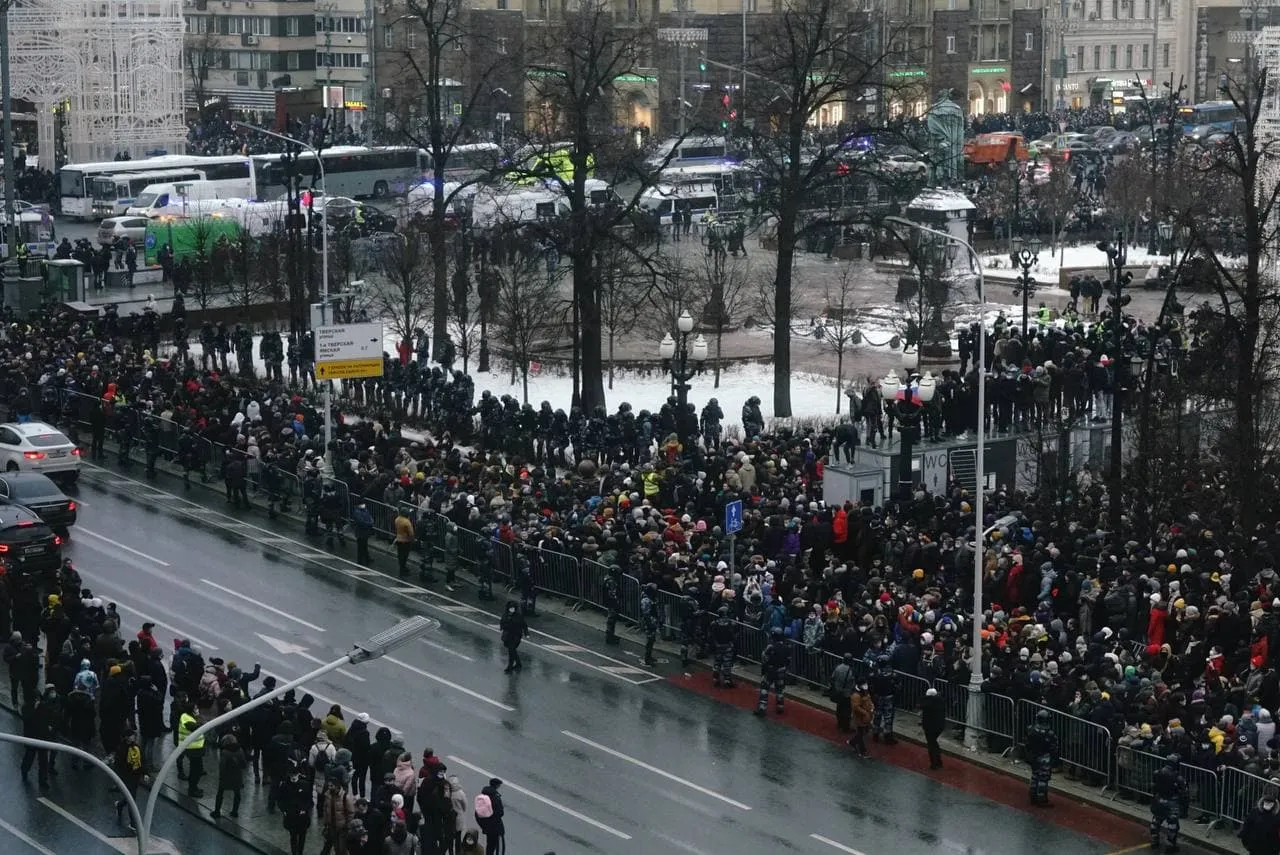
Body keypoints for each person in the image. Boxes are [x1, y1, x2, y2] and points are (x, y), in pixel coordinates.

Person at [1150, 753, 1187, 852]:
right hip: (1172, 802)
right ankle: (1170, 845)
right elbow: (1183, 792)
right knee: (1173, 825)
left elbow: (1153, 786)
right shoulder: (1178, 777)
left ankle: (1154, 840)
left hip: (1158, 799)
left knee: (1156, 821)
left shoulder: (1157, 772)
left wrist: (1155, 796)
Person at [1025, 709, 1058, 806]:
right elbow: (1054, 748)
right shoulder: (1049, 733)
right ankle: (1041, 799)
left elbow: (1027, 744)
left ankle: (1033, 795)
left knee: (1035, 776)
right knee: (1043, 778)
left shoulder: (1031, 729)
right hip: (1045, 758)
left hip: (1034, 756)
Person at [113, 730, 145, 830]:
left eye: (133, 736)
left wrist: (145, 773)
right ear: (126, 737)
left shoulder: (136, 747)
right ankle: (133, 823)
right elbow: (118, 765)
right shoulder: (121, 749)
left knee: (130, 797)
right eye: (131, 736)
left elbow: (142, 760)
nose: (133, 738)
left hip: (135, 776)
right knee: (132, 799)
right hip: (126, 777)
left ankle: (119, 805)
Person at [212, 732, 248, 819]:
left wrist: (221, 776)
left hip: (226, 777)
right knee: (237, 794)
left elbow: (222, 767)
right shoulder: (240, 750)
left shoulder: (225, 752)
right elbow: (244, 765)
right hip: (237, 776)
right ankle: (235, 812)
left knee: (220, 793)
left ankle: (217, 812)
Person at [177, 699, 207, 798]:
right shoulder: (185, 718)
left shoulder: (192, 717)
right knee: (195, 771)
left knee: (198, 770)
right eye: (195, 708)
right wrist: (201, 719)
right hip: (191, 749)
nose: (197, 710)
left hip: (196, 748)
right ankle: (192, 789)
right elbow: (195, 727)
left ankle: (194, 787)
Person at [755, 627, 788, 716]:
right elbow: (788, 660)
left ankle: (762, 707)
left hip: (771, 670)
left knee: (764, 688)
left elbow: (764, 657)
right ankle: (780, 706)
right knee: (780, 689)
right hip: (781, 670)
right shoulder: (785, 647)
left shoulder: (770, 646)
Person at [1240, 790, 1280, 855]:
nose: (1268, 804)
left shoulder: (1277, 816)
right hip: (1255, 846)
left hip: (1271, 849)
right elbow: (1247, 827)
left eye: (1270, 802)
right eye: (1266, 802)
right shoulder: (1255, 812)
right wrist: (1246, 842)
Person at [869, 656, 897, 744]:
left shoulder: (874, 674)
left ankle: (875, 734)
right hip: (888, 697)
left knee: (877, 716)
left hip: (877, 697)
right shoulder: (892, 674)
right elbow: (897, 687)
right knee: (888, 718)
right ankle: (887, 736)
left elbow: (871, 687)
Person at [828, 653, 858, 732]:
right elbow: (853, 683)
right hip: (847, 693)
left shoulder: (838, 667)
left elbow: (833, 678)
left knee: (839, 709)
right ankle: (846, 727)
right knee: (847, 711)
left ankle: (839, 724)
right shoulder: (851, 670)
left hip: (838, 691)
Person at [474, 777, 505, 855]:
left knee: (489, 845)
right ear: (497, 786)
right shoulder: (495, 797)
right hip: (496, 827)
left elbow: (477, 812)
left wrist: (483, 826)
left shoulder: (483, 796)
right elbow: (500, 813)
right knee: (498, 847)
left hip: (487, 827)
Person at [709, 606, 736, 688]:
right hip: (727, 646)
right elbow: (733, 636)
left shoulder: (714, 623)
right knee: (727, 664)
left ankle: (716, 679)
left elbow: (712, 636)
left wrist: (714, 644)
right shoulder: (731, 623)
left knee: (717, 663)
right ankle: (727, 680)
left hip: (718, 646)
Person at [920, 687, 946, 770]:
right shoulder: (941, 701)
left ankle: (934, 763)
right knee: (934, 743)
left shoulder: (927, 703)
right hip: (939, 726)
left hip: (929, 726)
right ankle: (938, 761)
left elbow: (921, 703)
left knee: (931, 744)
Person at [499, 602, 527, 673]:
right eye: (510, 608)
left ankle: (510, 666)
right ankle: (518, 663)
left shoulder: (518, 616)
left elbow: (524, 625)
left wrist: (526, 633)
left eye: (513, 608)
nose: (512, 610)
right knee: (512, 650)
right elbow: (502, 622)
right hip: (508, 635)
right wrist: (502, 627)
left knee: (511, 650)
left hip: (516, 635)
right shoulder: (506, 615)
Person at [848, 683, 873, 758]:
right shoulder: (856, 696)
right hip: (860, 718)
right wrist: (865, 713)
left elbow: (868, 700)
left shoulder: (864, 693)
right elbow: (856, 707)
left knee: (863, 732)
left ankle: (852, 742)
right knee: (861, 734)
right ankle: (862, 752)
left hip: (865, 717)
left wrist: (871, 706)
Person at [639, 583, 660, 666]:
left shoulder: (652, 598)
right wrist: (649, 624)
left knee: (652, 639)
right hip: (649, 622)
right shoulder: (646, 600)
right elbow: (646, 614)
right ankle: (647, 658)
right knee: (650, 640)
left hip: (653, 621)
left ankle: (649, 656)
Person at [602, 565, 622, 645]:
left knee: (612, 619)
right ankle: (609, 637)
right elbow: (612, 594)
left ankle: (611, 635)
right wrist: (617, 602)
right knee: (611, 619)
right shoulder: (611, 581)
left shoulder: (607, 578)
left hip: (609, 602)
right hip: (612, 602)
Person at [394, 506, 416, 579]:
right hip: (406, 541)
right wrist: (412, 540)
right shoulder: (407, 522)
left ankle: (402, 568)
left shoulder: (397, 519)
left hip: (398, 539)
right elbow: (411, 533)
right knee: (405, 556)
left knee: (400, 555)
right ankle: (402, 571)